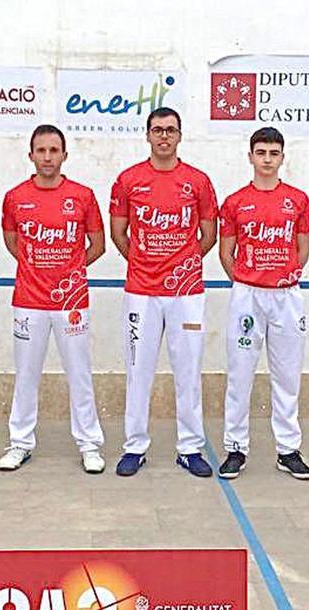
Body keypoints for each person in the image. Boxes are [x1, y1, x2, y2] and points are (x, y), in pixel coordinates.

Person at [109, 107, 218, 478]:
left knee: (188, 371)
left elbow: (209, 235)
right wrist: (144, 263)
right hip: (141, 292)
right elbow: (118, 233)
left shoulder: (198, 181)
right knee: (138, 371)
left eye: (171, 130)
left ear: (180, 136)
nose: (164, 136)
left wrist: (181, 266)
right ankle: (134, 447)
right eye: (158, 130)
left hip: (187, 294)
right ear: (148, 135)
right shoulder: (128, 180)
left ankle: (190, 448)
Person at [0, 124, 107, 473]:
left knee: (80, 374)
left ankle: (89, 444)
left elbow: (98, 245)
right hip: (28, 302)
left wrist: (69, 271)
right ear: (31, 155)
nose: (47, 157)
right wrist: (37, 267)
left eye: (53, 150)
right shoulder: (15, 197)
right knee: (26, 375)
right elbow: (13, 241)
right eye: (41, 150)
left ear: (64, 155)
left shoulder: (83, 196)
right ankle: (20, 443)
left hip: (71, 303)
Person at [216, 127, 309, 480]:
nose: (267, 159)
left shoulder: (298, 200)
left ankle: (288, 450)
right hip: (247, 297)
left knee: (287, 376)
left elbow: (302, 248)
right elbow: (226, 252)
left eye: (274, 153)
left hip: (286, 297)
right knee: (240, 375)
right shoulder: (235, 202)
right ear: (251, 156)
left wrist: (282, 277)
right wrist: (246, 280)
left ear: (282, 157)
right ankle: (235, 448)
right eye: (261, 152)